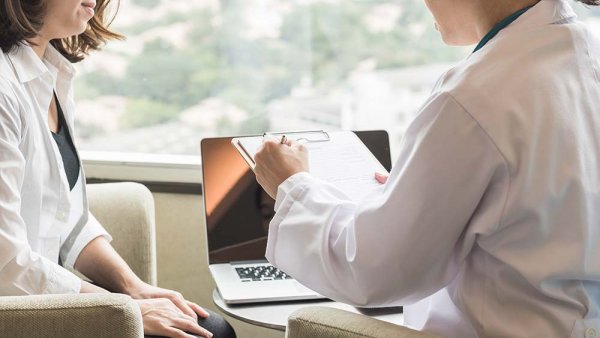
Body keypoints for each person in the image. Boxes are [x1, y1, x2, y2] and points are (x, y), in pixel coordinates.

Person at [253, 0, 600, 337]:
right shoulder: (583, 54)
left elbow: (376, 271)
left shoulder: (474, 96)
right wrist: (423, 190)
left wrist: (294, 185)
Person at [0, 1, 236, 338]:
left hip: (42, 296)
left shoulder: (50, 74)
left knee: (210, 328)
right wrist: (123, 308)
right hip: (16, 312)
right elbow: (6, 264)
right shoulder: (3, 90)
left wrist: (133, 287)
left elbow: (66, 218)